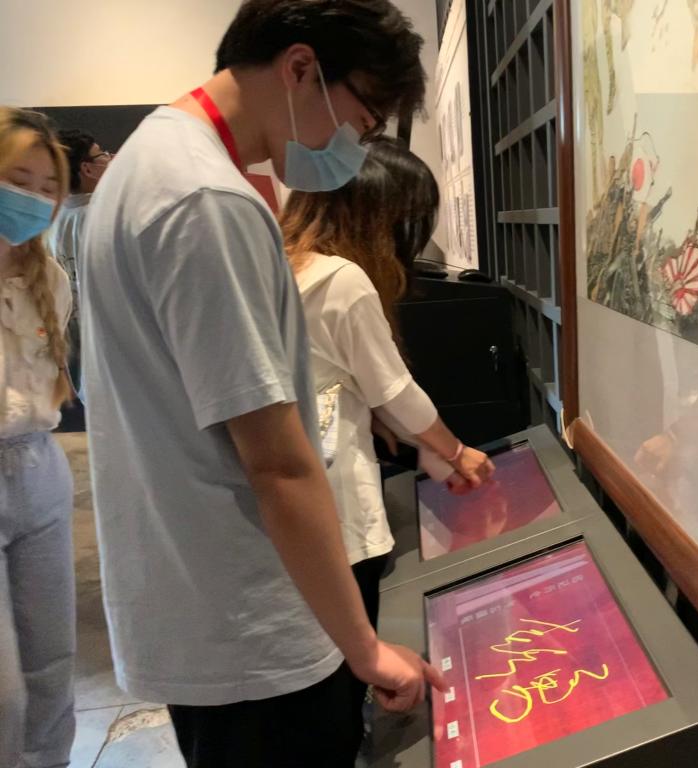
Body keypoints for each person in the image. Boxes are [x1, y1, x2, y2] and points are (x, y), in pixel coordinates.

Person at [78, 2, 442, 766]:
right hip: (249, 623)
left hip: (197, 601)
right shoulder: (207, 201)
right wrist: (365, 647)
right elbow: (276, 462)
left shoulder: (148, 160)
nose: (357, 146)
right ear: (301, 68)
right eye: (363, 120)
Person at [279, 136, 495, 623]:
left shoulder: (286, 262)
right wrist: (456, 452)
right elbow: (396, 392)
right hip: (334, 494)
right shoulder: (341, 279)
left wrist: (423, 450)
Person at [0, 107, 76, 768]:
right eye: (18, 181)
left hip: (40, 469)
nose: (34, 198)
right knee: (3, 692)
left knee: (52, 664)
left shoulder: (50, 279)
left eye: (48, 187)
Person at [49, 129, 113, 398]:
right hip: (107, 340)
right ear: (87, 168)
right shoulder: (105, 215)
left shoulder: (54, 216)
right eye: (102, 155)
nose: (109, 158)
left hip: (73, 341)